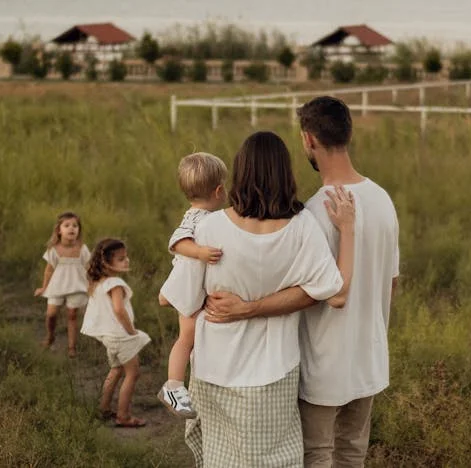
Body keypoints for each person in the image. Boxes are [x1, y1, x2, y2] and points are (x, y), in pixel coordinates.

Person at [205, 96, 400, 468]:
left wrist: (249, 308)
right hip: (369, 358)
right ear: (348, 134)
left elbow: (315, 294)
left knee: (316, 454)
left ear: (308, 139)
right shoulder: (382, 200)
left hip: (323, 364)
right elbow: (391, 282)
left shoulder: (313, 214)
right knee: (352, 454)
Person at [159, 131, 356, 468]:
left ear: (240, 172)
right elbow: (331, 291)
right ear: (285, 173)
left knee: (221, 459)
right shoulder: (303, 227)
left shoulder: (209, 229)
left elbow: (179, 300)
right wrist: (348, 230)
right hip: (274, 370)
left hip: (215, 367)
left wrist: (236, 305)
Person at [157, 152, 228, 419]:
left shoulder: (199, 215)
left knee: (191, 338)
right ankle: (173, 386)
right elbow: (177, 242)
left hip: (192, 285)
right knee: (186, 338)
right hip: (188, 286)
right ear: (219, 191)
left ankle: (183, 384)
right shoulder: (200, 219)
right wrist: (199, 252)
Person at [81, 238, 151, 427]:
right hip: (121, 336)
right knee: (133, 373)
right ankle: (123, 416)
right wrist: (131, 331)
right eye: (121, 259)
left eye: (126, 257)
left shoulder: (98, 282)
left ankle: (103, 409)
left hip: (109, 337)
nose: (127, 261)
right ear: (105, 262)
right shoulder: (115, 283)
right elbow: (119, 310)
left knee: (117, 370)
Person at [34, 211, 91, 358]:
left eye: (75, 226)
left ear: (79, 230)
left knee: (72, 315)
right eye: (67, 225)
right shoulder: (54, 250)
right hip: (56, 286)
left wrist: (93, 285)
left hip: (77, 286)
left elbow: (88, 268)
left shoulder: (82, 249)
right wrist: (44, 287)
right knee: (51, 314)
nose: (71, 228)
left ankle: (71, 347)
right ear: (59, 230)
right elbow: (49, 270)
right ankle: (50, 336)